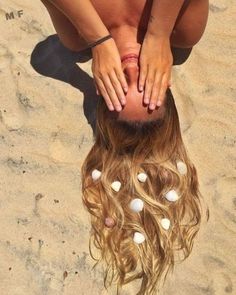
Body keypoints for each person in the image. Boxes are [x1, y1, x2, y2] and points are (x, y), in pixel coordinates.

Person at [40, 1, 209, 294]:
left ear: (101, 90)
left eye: (122, 84)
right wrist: (159, 34)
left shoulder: (77, 37)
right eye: (145, 83)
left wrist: (99, 40)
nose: (132, 67)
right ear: (165, 84)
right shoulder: (184, 30)